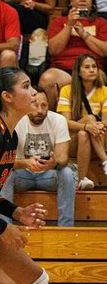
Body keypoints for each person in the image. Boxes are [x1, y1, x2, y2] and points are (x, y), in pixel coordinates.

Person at [0, 67, 73, 284]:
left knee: (35, 279)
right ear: (7, 97)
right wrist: (4, 227)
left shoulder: (11, 137)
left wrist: (15, 213)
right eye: (26, 86)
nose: (34, 92)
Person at [1, 88, 74, 227]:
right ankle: (5, 226)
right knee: (6, 173)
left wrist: (53, 163)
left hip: (48, 174)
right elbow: (4, 160)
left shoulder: (59, 120)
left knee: (67, 173)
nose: (40, 110)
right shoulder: (16, 121)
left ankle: (66, 227)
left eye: (44, 105)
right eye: (35, 105)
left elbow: (63, 158)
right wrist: (26, 163)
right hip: (22, 174)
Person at [39, 0, 107, 107]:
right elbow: (53, 50)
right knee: (47, 79)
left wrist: (84, 35)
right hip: (63, 70)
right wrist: (69, 25)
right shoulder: (58, 22)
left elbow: (106, 51)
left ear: (92, 2)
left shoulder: (101, 23)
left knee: (94, 76)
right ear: (70, 2)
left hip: (92, 68)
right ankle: (53, 119)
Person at [57, 53, 107, 191]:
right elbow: (64, 122)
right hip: (70, 142)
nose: (92, 70)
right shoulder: (67, 90)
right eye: (87, 67)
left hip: (97, 139)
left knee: (83, 134)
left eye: (94, 67)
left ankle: (82, 179)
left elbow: (106, 123)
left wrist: (88, 128)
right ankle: (106, 161)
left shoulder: (106, 91)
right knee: (89, 121)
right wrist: (87, 125)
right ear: (78, 72)